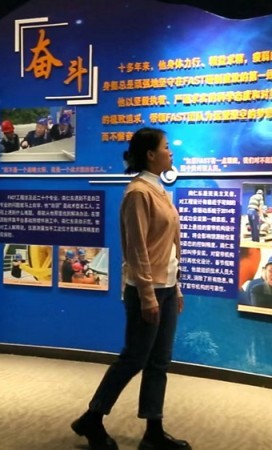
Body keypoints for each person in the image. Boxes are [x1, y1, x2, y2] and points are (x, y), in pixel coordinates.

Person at [72, 127, 190, 450]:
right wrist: (148, 295)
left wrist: (176, 287)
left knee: (159, 362)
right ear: (150, 155)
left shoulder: (159, 189)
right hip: (146, 291)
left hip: (167, 288)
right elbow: (136, 249)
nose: (171, 151)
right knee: (134, 358)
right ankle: (92, 418)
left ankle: (153, 432)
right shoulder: (137, 193)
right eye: (166, 147)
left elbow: (169, 246)